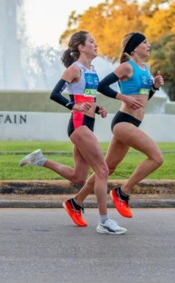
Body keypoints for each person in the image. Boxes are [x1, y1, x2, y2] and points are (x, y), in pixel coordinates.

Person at [19, 31, 126, 235]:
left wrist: (98, 108)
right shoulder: (74, 69)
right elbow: (55, 94)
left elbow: (87, 98)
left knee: (79, 177)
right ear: (81, 47)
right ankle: (104, 221)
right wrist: (72, 105)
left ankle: (40, 160)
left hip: (88, 123)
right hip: (79, 126)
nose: (96, 44)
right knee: (103, 171)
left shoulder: (91, 70)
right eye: (91, 42)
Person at [61, 31, 164, 226]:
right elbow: (101, 86)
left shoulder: (146, 68)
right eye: (144, 42)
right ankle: (122, 192)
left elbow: (142, 100)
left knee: (107, 169)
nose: (148, 45)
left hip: (134, 121)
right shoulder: (126, 67)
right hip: (123, 122)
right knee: (157, 158)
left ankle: (76, 202)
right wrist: (123, 98)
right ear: (133, 48)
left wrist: (154, 88)